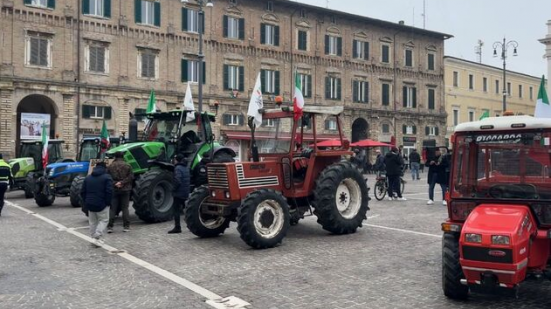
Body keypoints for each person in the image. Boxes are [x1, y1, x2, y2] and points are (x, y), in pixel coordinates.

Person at [81, 162, 113, 246]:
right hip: (102, 203)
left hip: (90, 203)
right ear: (105, 168)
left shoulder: (88, 178)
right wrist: (108, 202)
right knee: (103, 220)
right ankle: (97, 235)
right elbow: (109, 191)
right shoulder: (107, 177)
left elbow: (82, 192)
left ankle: (93, 237)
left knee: (92, 222)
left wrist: (86, 201)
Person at [107, 152, 134, 233]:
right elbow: (131, 177)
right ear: (123, 156)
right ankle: (126, 226)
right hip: (125, 189)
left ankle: (110, 227)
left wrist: (115, 183)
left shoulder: (110, 166)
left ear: (115, 156)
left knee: (112, 209)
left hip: (114, 189)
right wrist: (122, 182)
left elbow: (108, 177)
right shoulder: (127, 165)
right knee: (125, 208)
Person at [168, 154, 191, 234]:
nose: (174, 161)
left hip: (179, 193)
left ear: (177, 160)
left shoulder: (177, 168)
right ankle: (191, 225)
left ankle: (177, 227)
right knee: (186, 209)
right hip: (185, 192)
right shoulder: (186, 168)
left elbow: (178, 180)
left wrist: (173, 189)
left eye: (174, 159)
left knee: (176, 210)